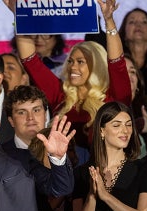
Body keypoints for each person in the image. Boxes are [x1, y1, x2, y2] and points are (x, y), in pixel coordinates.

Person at [9, 0, 132, 149]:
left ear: (97, 66)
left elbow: (117, 64)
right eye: (71, 61)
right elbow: (30, 61)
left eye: (80, 62)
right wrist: (20, 16)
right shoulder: (61, 96)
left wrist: (109, 21)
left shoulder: (114, 98)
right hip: (63, 169)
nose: (73, 67)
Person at [72, 102, 147, 211]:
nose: (125, 131)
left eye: (129, 125)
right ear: (102, 131)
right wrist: (93, 196)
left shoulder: (143, 170)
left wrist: (106, 197)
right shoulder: (82, 173)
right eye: (117, 125)